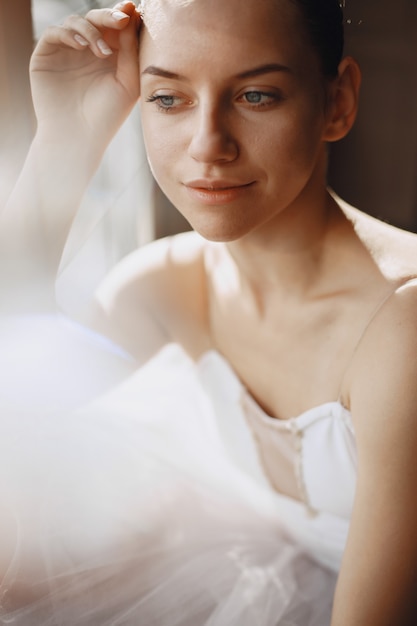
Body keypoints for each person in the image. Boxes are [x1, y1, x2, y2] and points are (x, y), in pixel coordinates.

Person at [1, 0, 417, 624]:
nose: (208, 146)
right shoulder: (169, 284)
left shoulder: (401, 325)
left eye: (256, 95)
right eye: (168, 99)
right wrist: (68, 137)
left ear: (338, 102)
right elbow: (17, 366)